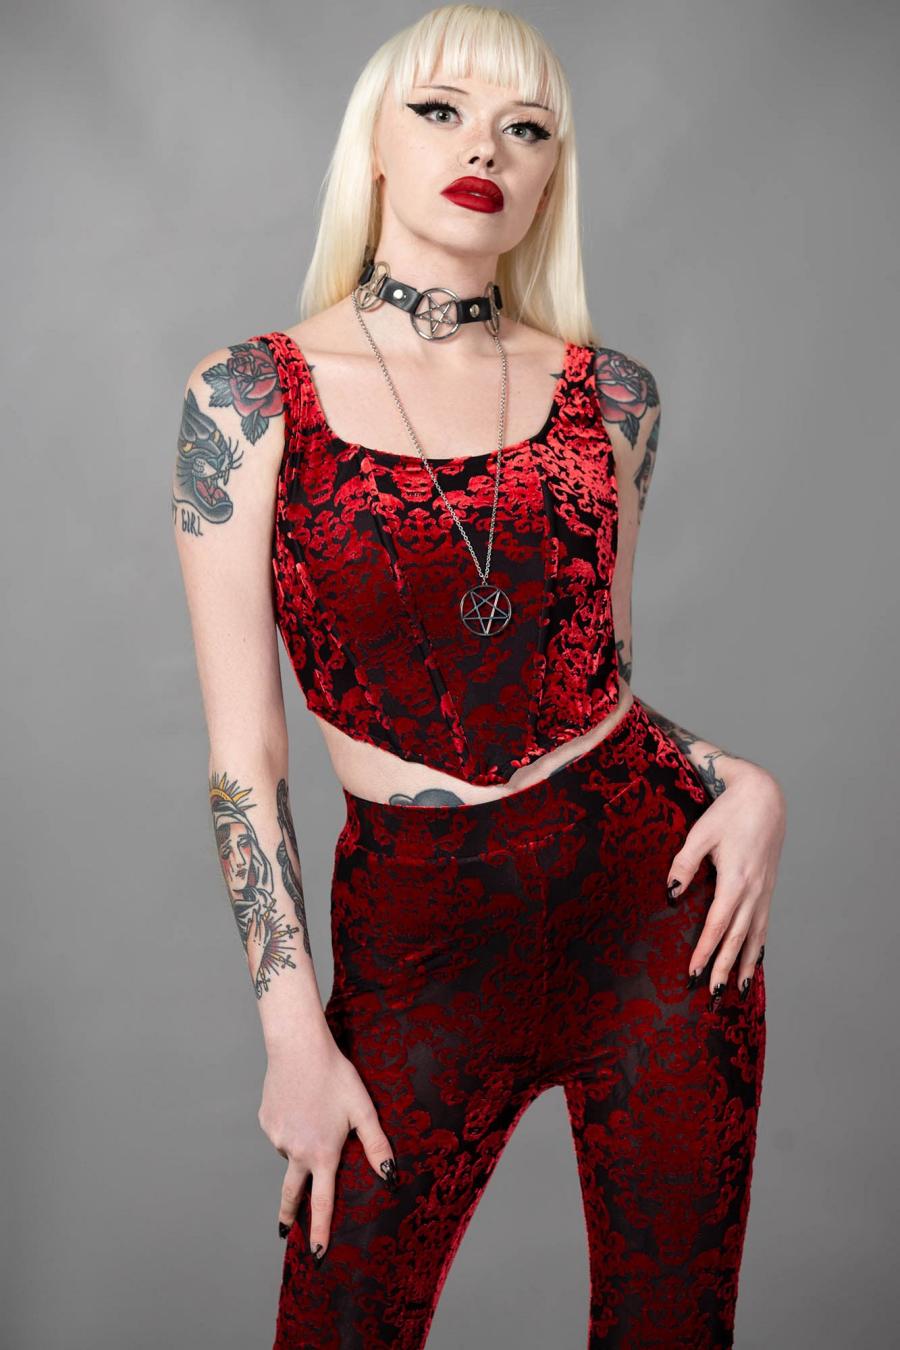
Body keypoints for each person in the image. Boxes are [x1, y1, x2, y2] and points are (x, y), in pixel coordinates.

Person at [171, 6, 786, 1347]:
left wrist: (740, 782)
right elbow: (244, 760)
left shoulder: (613, 400)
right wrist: (293, 1033)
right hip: (419, 943)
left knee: (672, 1328)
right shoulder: (249, 400)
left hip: (654, 912)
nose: (485, 150)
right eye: (443, 111)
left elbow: (591, 680)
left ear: (551, 174)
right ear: (375, 145)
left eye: (527, 128)